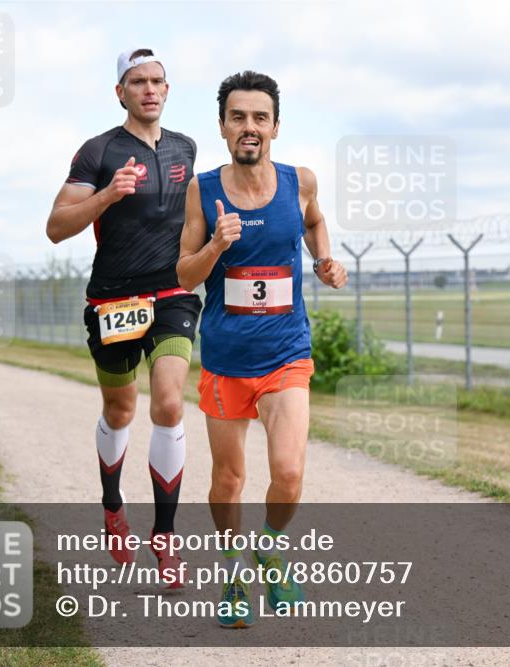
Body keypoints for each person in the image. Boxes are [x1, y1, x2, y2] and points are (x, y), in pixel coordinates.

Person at [176, 70, 347, 626]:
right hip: (226, 360)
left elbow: (315, 223)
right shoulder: (202, 190)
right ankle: (232, 573)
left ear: (275, 126)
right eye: (238, 117)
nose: (249, 126)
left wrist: (324, 260)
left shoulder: (301, 182)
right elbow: (184, 274)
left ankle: (269, 551)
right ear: (223, 126)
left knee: (289, 471)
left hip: (286, 354)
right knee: (229, 480)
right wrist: (215, 246)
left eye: (259, 117)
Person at [46, 48, 200, 587]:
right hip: (113, 300)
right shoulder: (99, 151)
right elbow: (56, 227)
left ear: (167, 89)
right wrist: (108, 195)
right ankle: (112, 503)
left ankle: (165, 537)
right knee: (119, 411)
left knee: (170, 403)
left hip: (173, 293)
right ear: (120, 92)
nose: (149, 89)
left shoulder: (186, 147)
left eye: (157, 80)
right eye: (138, 82)